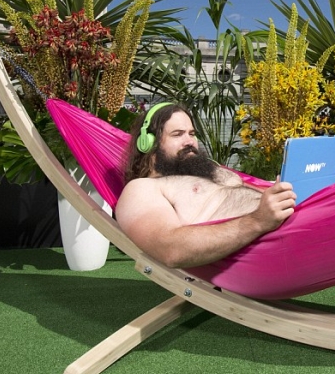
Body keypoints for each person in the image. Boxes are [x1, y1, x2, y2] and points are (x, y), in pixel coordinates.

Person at [114, 102, 297, 268]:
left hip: (294, 218)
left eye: (192, 134)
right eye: (177, 134)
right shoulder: (142, 188)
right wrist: (257, 221)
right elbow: (170, 249)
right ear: (148, 143)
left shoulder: (210, 171)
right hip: (272, 244)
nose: (190, 141)